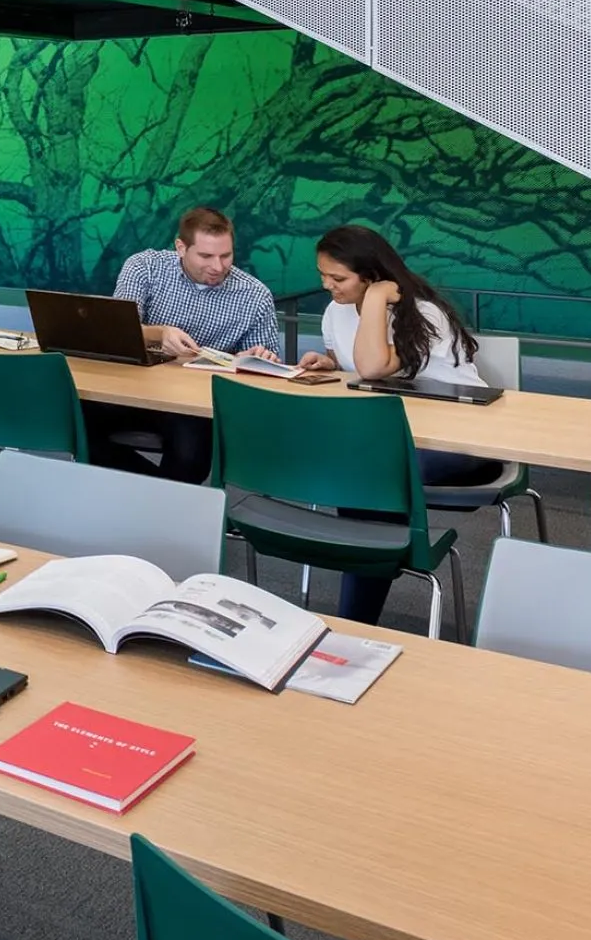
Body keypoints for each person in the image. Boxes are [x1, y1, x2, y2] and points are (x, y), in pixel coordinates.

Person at [294, 224, 498, 626]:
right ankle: (368, 584)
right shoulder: (337, 310)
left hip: (465, 440)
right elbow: (356, 363)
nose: (327, 286)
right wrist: (330, 363)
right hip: (398, 435)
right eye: (323, 275)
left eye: (338, 278)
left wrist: (376, 301)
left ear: (372, 277)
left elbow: (372, 367)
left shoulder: (422, 314)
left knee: (373, 478)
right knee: (368, 477)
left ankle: (356, 613)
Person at [101, 206, 282, 482]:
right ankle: (154, 496)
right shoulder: (145, 267)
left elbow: (267, 372)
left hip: (193, 405)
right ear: (181, 248)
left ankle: (162, 505)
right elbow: (114, 331)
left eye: (226, 255)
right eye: (206, 256)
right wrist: (158, 333)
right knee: (70, 422)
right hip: (130, 390)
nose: (218, 267)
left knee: (191, 458)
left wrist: (254, 358)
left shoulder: (255, 295)